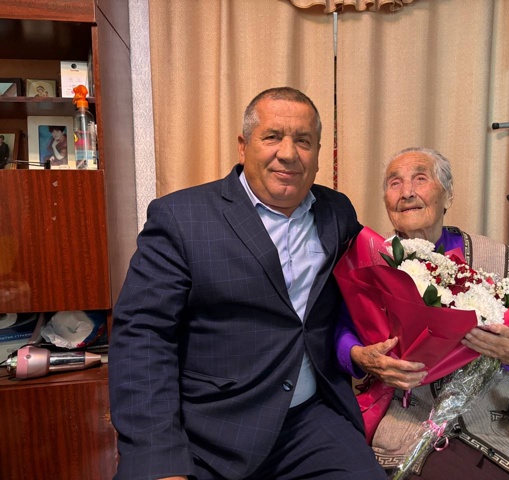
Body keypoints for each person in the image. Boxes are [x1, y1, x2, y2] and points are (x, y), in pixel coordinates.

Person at [108, 87, 387, 480]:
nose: (288, 153)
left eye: (303, 141)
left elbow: (369, 285)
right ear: (243, 146)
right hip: (208, 431)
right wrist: (158, 455)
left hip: (308, 422)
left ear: (318, 153)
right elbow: (143, 336)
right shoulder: (181, 218)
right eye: (272, 137)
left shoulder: (336, 212)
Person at [336, 147, 509, 479]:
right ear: (386, 200)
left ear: (447, 194)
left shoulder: (492, 256)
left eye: (420, 179)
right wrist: (362, 357)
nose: (406, 192)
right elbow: (341, 331)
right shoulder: (371, 259)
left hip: (497, 409)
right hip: (410, 410)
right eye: (395, 183)